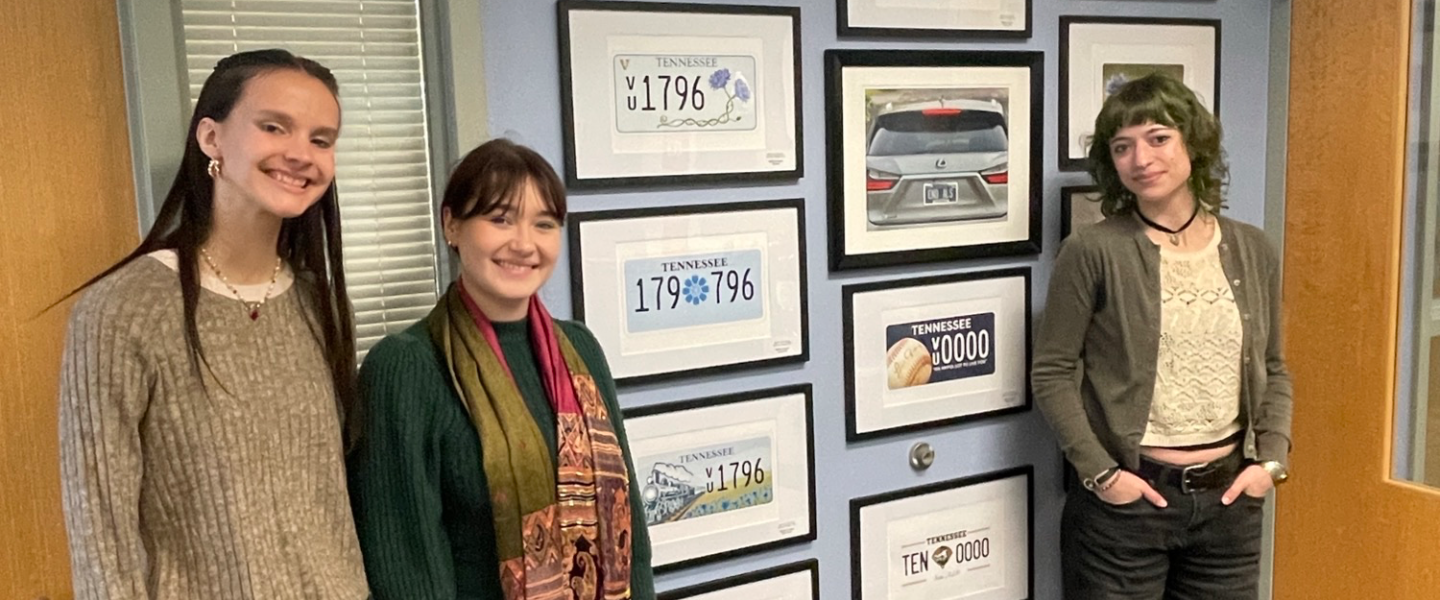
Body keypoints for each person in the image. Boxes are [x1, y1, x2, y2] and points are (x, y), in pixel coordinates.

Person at [57, 49, 368, 598]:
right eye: (275, 127)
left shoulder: (318, 304)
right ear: (211, 138)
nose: (302, 154)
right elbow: (101, 533)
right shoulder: (124, 308)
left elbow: (330, 507)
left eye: (322, 140)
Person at [348, 138, 655, 599]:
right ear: (451, 224)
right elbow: (405, 569)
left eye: (544, 224)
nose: (524, 243)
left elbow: (631, 535)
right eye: (500, 219)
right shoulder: (406, 366)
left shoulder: (582, 350)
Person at [1032, 72, 1293, 599]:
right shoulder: (1093, 251)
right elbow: (1052, 372)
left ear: (1192, 143)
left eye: (1158, 138)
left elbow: (1274, 365)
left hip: (1229, 506)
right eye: (1122, 147)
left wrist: (1271, 462)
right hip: (1127, 508)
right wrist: (1102, 475)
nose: (1141, 159)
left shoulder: (1252, 248)